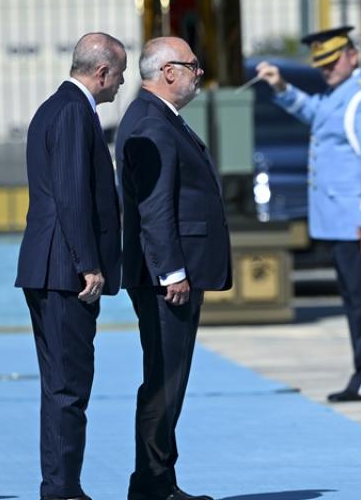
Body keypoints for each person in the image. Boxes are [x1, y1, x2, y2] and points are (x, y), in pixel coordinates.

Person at [118, 37, 232, 500]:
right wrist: (171, 272)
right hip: (166, 278)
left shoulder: (159, 117)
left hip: (172, 272)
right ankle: (151, 483)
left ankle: (159, 479)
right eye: (192, 66)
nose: (198, 73)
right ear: (168, 72)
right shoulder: (152, 122)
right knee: (165, 381)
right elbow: (155, 207)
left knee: (171, 378)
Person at [256, 26, 361, 402]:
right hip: (338, 222)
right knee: (353, 301)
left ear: (352, 56)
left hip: (357, 224)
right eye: (322, 64)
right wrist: (281, 85)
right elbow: (315, 113)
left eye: (333, 61)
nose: (327, 69)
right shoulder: (339, 96)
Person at [16, 32, 127, 500]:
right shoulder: (72, 113)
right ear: (101, 73)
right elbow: (71, 194)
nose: (121, 85)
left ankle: (62, 486)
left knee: (63, 386)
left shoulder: (60, 108)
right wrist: (89, 264)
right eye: (119, 75)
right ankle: (62, 489)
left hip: (53, 267)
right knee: (68, 387)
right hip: (64, 271)